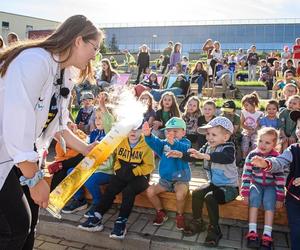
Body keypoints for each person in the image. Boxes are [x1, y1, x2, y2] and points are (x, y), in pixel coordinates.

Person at [0, 15, 103, 250]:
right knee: (15, 227)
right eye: (94, 47)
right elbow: (17, 124)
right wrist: (35, 180)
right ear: (78, 41)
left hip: (17, 154)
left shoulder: (62, 72)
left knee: (31, 223)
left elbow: (58, 124)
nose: (95, 55)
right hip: (9, 152)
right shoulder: (34, 62)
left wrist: (86, 149)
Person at [167, 117, 239, 247]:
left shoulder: (229, 148)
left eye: (213, 134)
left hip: (229, 188)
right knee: (197, 192)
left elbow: (225, 158)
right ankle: (198, 222)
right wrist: (181, 155)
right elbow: (196, 155)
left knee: (210, 197)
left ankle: (214, 229)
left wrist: (205, 156)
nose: (209, 138)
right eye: (208, 134)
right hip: (214, 184)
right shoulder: (208, 146)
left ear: (226, 136)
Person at [79, 126, 155, 239]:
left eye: (137, 129)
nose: (133, 132)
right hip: (123, 171)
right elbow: (116, 159)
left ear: (142, 131)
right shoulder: (121, 141)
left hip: (141, 176)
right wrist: (118, 169)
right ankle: (97, 217)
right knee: (111, 188)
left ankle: (121, 222)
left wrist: (135, 171)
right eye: (131, 129)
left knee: (128, 191)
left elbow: (150, 166)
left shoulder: (147, 144)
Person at [250, 110, 300, 250]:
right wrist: (267, 163)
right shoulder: (293, 149)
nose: (299, 131)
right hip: (294, 198)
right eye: (298, 127)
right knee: (296, 231)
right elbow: (279, 161)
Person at [62, 94, 114, 217]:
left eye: (101, 118)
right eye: (96, 118)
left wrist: (102, 105)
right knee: (70, 172)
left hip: (106, 170)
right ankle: (80, 200)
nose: (98, 120)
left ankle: (98, 202)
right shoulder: (94, 133)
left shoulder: (111, 133)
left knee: (90, 179)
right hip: (92, 167)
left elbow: (109, 122)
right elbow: (86, 147)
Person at [143, 117, 191, 230]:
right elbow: (154, 143)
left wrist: (174, 143)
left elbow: (184, 149)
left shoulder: (185, 142)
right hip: (165, 180)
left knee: (180, 194)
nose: (171, 133)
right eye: (169, 131)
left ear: (183, 132)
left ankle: (179, 215)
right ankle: (161, 212)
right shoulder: (163, 144)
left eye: (175, 131)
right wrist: (148, 135)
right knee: (150, 191)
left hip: (181, 179)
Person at [241, 127, 284, 249]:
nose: (263, 145)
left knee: (269, 201)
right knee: (254, 198)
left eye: (267, 142)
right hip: (257, 183)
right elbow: (246, 173)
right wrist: (245, 192)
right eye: (261, 141)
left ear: (274, 144)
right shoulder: (252, 154)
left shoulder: (276, 157)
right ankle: (252, 232)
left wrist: (280, 197)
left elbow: (280, 178)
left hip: (271, 185)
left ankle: (267, 234)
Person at [240, 92, 263, 162]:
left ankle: (254, 158)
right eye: (244, 105)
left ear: (253, 104)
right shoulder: (244, 112)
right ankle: (244, 158)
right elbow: (242, 124)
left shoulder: (259, 114)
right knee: (245, 141)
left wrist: (253, 131)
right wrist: (247, 129)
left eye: (247, 105)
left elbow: (259, 126)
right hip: (246, 131)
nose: (245, 107)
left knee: (255, 142)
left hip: (255, 132)